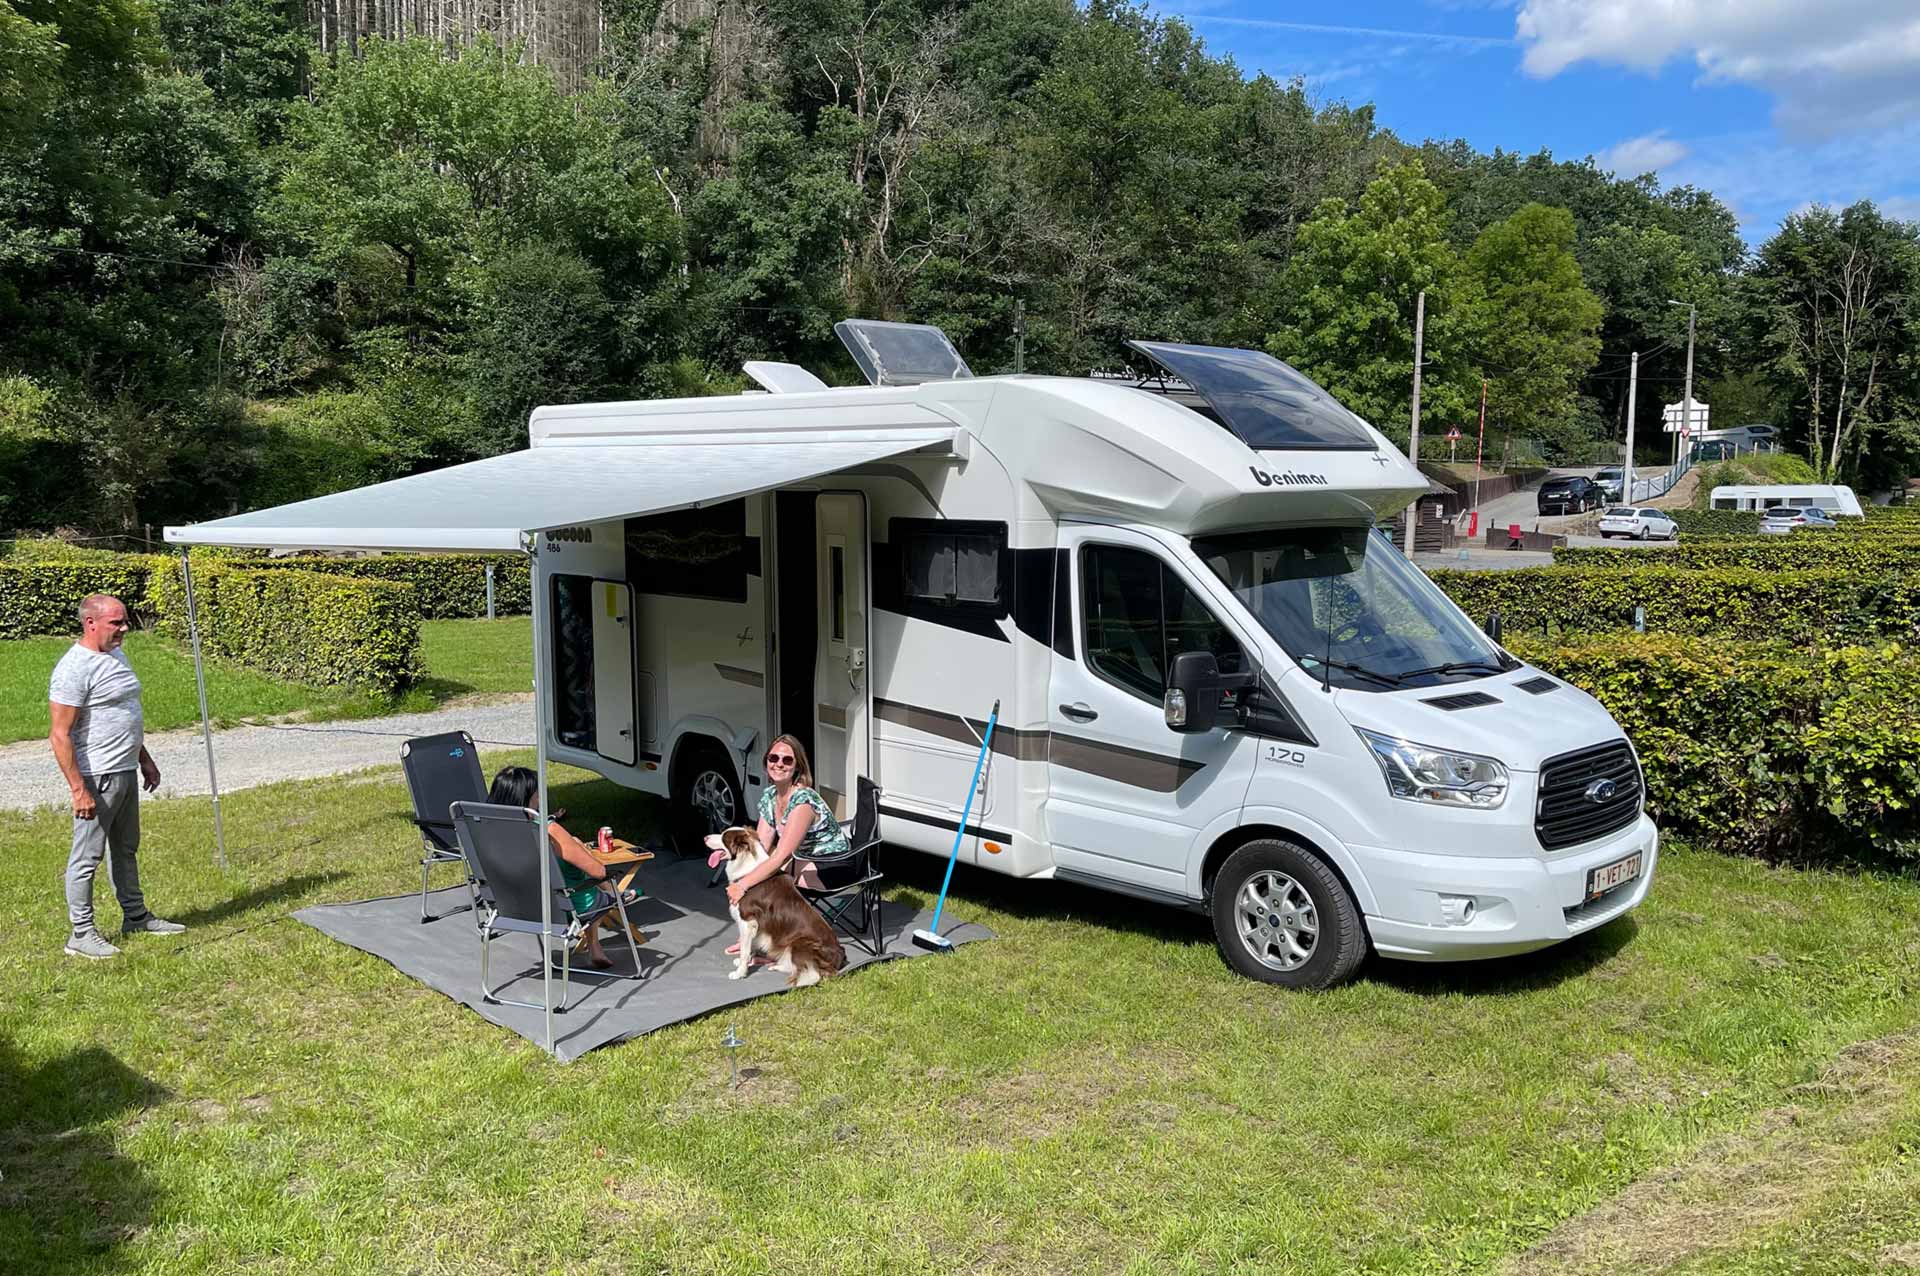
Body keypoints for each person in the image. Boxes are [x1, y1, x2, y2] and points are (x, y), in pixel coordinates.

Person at [50, 594, 183, 960]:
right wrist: (79, 790)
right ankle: (81, 933)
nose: (124, 629)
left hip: (124, 768)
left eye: (125, 622)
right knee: (86, 858)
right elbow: (59, 735)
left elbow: (125, 713)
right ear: (90, 623)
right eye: (116, 623)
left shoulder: (115, 654)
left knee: (125, 849)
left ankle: (136, 916)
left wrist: (145, 759)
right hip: (98, 775)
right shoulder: (74, 669)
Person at [706, 734, 850, 955]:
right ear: (766, 762)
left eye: (787, 760)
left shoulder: (802, 801)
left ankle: (786, 941)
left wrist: (742, 885)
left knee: (777, 883)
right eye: (773, 758)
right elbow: (760, 848)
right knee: (763, 877)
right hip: (802, 858)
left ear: (798, 767)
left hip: (831, 864)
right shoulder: (770, 795)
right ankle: (751, 936)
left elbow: (781, 856)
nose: (779, 764)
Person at [486, 766, 637, 969]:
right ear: (529, 797)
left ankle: (595, 942)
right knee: (595, 886)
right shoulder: (548, 831)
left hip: (510, 907)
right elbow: (599, 872)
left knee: (574, 871)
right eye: (538, 792)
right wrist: (583, 851)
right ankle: (614, 903)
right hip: (559, 910)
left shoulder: (484, 830)